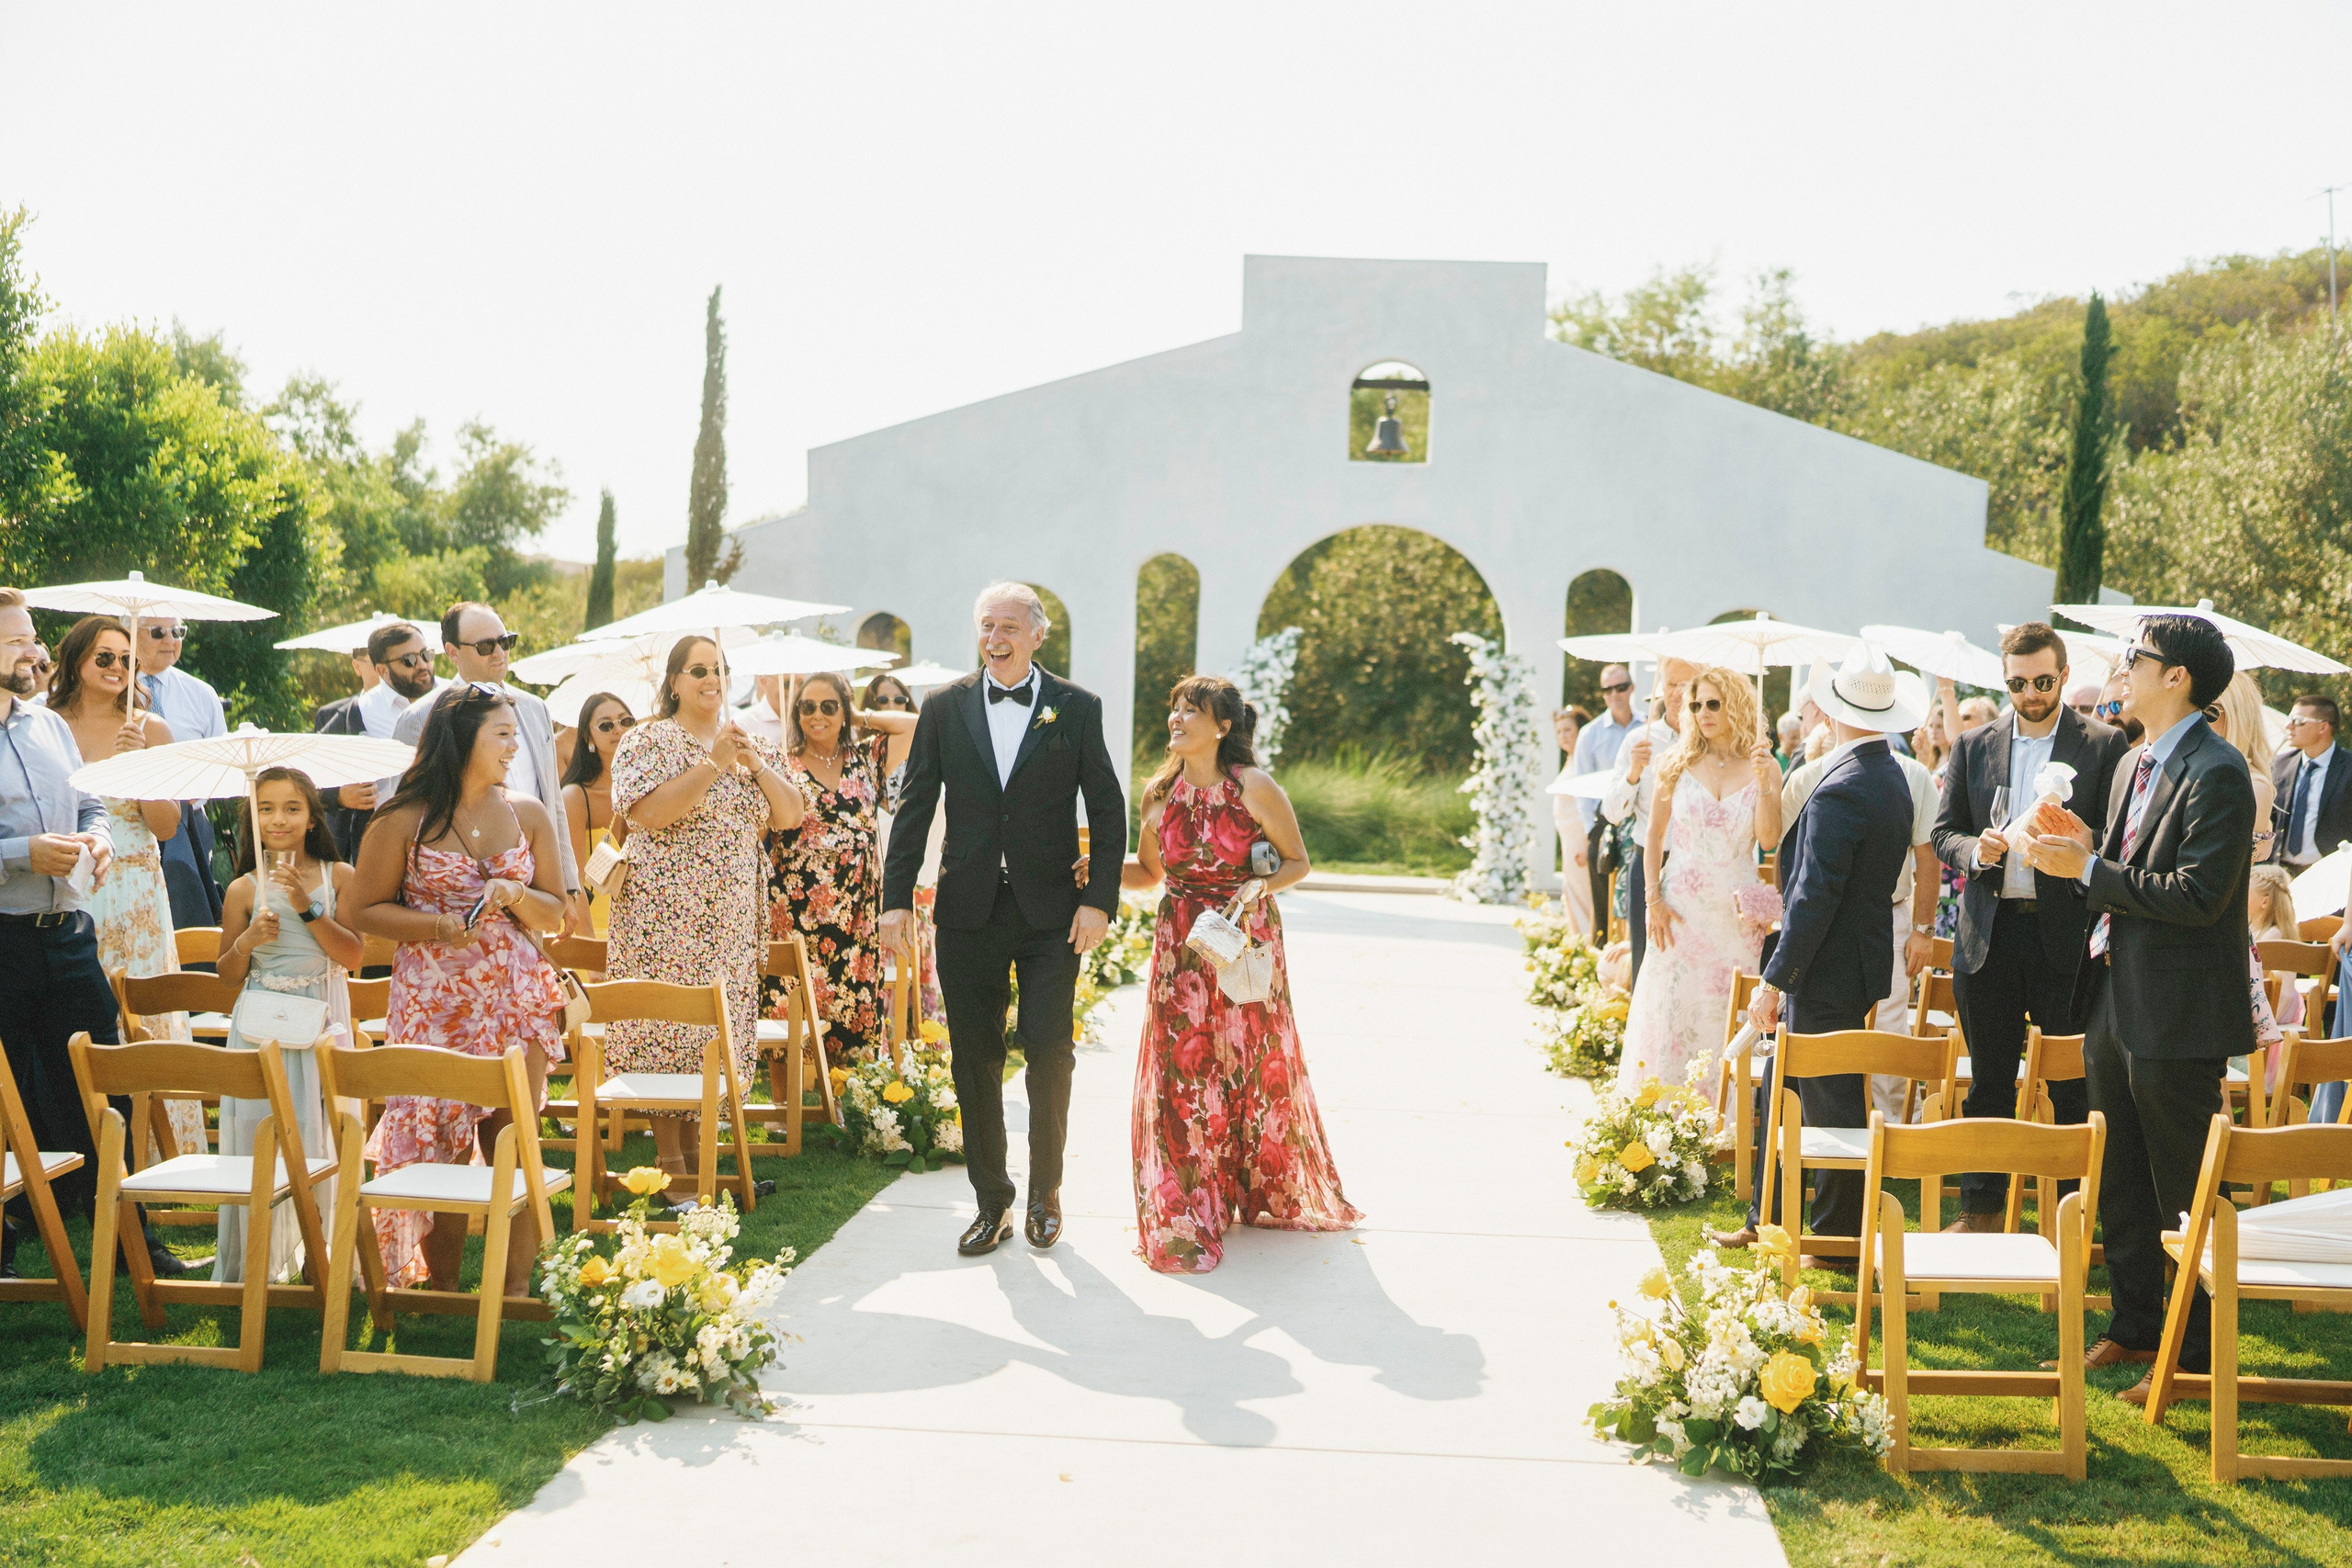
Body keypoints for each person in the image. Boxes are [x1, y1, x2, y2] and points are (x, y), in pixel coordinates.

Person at [2022, 614, 2254, 1404]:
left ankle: (2195, 1353)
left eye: (2135, 657)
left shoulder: (2219, 770)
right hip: (2112, 992)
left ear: (2176, 676)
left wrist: (2089, 868)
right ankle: (2134, 1323)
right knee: (2118, 1170)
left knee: (2184, 1187)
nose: (2122, 667)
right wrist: (2081, 846)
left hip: (2179, 1008)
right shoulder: (2131, 761)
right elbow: (2129, 865)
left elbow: (2197, 894)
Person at [880, 582, 1126, 1258]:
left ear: (1037, 635)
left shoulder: (1076, 707)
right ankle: (992, 1203)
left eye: (1009, 626)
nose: (995, 637)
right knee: (974, 1056)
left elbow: (1107, 808)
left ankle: (1047, 1190)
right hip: (968, 909)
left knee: (1048, 1048)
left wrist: (1098, 900)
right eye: (987, 625)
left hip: (1052, 914)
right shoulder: (943, 706)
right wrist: (895, 897)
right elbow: (915, 806)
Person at [1121, 675, 1358, 1272]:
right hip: (1181, 948)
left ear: (1223, 727)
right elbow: (1149, 874)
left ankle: (1251, 1187)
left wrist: (1258, 887)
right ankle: (1189, 1204)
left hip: (1245, 940)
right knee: (1183, 1072)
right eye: (1175, 708)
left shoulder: (1253, 787)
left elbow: (1298, 862)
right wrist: (1091, 869)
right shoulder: (1158, 794)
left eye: (1192, 710)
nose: (1177, 718)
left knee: (1250, 1062)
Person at [348, 684, 572, 1292]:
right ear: (463, 738)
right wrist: (435, 926)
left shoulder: (528, 813)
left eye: (514, 734)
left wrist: (516, 893)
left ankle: (514, 1291)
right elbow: (360, 908)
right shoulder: (402, 818)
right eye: (502, 734)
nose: (513, 746)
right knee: (440, 1144)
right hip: (434, 1001)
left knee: (514, 1138)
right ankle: (443, 1291)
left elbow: (557, 911)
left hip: (517, 997)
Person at [0, 589, 191, 1279]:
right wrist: (22, 853)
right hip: (3, 940)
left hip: (69, 933)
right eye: (16, 640)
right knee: (11, 1096)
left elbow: (87, 802)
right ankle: (10, 1237)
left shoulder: (46, 728)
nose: (33, 650)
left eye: (32, 638)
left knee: (101, 1085)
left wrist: (101, 836)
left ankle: (131, 1241)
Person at [1710, 643, 1921, 1257]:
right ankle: (1769, 1218)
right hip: (1848, 963)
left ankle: (1833, 1235)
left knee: (1830, 1106)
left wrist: (1775, 981)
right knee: (1786, 1089)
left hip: (1825, 969)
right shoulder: (1888, 775)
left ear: (1834, 711)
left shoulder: (1845, 786)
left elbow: (1813, 896)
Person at [1928, 622, 2127, 1233]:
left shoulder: (2104, 744)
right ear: (2004, 681)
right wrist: (1975, 850)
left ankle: (2071, 1216)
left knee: (2071, 1081)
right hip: (1989, 933)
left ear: (2063, 676)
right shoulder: (1974, 744)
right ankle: (1980, 1210)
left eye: (2043, 681)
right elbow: (1944, 833)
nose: (2031, 693)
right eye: (2018, 683)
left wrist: (2082, 839)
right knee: (1988, 1081)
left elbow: (2119, 837)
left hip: (2066, 934)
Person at [606, 639, 804, 1178]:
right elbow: (649, 814)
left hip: (731, 919)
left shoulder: (749, 740)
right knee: (666, 1030)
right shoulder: (647, 739)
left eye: (719, 668)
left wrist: (755, 765)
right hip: (665, 914)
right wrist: (714, 764)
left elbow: (790, 816)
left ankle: (698, 1156)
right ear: (674, 682)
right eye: (699, 670)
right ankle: (670, 1161)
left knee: (714, 1031)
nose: (712, 678)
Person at [50, 617, 211, 1174]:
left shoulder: (151, 727)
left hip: (138, 892)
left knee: (142, 1012)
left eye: (126, 660)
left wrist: (137, 767)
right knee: (79, 1016)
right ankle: (84, 1154)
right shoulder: (47, 726)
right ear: (76, 662)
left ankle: (156, 1155)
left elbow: (167, 828)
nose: (118, 668)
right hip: (74, 887)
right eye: (105, 658)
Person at [212, 767, 358, 1282]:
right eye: (267, 809)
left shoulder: (339, 877)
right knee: (259, 1128)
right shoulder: (242, 889)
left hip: (322, 1017)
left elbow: (354, 955)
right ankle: (254, 1259)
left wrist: (306, 905)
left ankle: (326, 1257)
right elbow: (227, 975)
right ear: (253, 819)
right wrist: (247, 942)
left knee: (323, 1128)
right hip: (261, 1025)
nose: (279, 819)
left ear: (312, 818)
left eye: (292, 808)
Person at [1617, 668, 1781, 1092]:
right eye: (1695, 705)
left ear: (1735, 705)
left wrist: (1764, 783)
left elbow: (1767, 840)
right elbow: (1653, 836)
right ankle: (1661, 1117)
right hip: (1679, 911)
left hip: (1736, 918)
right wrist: (1652, 900)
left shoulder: (1764, 767)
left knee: (1725, 1010)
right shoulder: (1674, 764)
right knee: (1671, 1006)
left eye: (1712, 703)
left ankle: (1723, 1118)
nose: (1702, 712)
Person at [392, 603, 583, 933]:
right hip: (452, 900)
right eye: (485, 646)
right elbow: (402, 808)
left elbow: (553, 802)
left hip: (533, 894)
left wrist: (567, 886)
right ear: (452, 652)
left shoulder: (535, 708)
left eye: (505, 641)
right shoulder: (420, 717)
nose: (499, 653)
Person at [762, 670, 889, 1061]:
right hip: (796, 907)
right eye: (807, 707)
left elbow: (915, 726)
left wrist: (859, 716)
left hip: (857, 909)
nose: (817, 715)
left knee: (854, 1007)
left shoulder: (866, 757)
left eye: (829, 706)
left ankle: (852, 1093)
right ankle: (788, 1098)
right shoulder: (780, 763)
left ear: (845, 709)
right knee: (791, 1004)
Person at [1601, 660, 1697, 986]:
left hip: (1696, 867)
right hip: (1648, 865)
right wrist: (1633, 773)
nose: (1678, 693)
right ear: (1661, 688)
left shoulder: (1713, 742)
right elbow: (1612, 813)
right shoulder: (1638, 741)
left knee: (1688, 970)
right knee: (1646, 969)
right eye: (1671, 684)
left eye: (1686, 685)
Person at [130, 615, 228, 928]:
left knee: (189, 917)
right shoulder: (110, 693)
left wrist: (200, 786)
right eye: (158, 632)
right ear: (130, 632)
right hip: (128, 824)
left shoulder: (200, 693)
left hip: (190, 823)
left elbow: (223, 761)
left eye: (178, 631)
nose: (171, 640)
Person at [861, 674, 943, 1027]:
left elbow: (916, 723)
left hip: (925, 876)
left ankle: (922, 1045)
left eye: (899, 700)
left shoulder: (928, 746)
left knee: (924, 975)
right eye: (882, 701)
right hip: (882, 876)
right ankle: (889, 1046)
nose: (892, 706)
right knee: (885, 979)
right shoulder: (867, 752)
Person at [321, 620, 440, 860]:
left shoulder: (453, 696)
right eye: (409, 660)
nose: (422, 665)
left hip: (450, 837)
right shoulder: (358, 712)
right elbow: (306, 776)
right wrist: (339, 796)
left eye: (426, 655)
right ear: (382, 671)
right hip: (389, 845)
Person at [1572, 664, 1640, 948]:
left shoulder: (1647, 726)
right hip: (1606, 818)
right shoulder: (1590, 734)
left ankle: (1635, 945)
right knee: (1599, 874)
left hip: (1639, 815)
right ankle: (1601, 947)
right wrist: (1592, 830)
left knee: (1639, 882)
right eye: (1607, 690)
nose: (1615, 694)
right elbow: (1581, 786)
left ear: (1631, 688)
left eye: (1620, 687)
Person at [560, 692, 635, 937]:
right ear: (587, 737)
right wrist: (588, 946)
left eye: (626, 721)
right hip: (592, 931)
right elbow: (574, 883)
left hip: (639, 933)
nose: (618, 730)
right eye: (606, 725)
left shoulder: (644, 792)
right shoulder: (576, 797)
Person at [2273, 694, 2350, 873]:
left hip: (2330, 872)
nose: (2288, 726)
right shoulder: (2280, 765)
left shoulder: (2348, 768)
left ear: (2323, 727)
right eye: (2289, 719)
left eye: (2298, 720)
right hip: (2280, 870)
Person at [1548, 704, 1594, 937]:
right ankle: (1577, 938)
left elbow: (1590, 804)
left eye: (1568, 730)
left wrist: (1588, 844)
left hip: (1579, 838)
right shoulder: (1570, 759)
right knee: (1571, 889)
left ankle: (1588, 939)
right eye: (1559, 731)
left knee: (1583, 892)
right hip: (1568, 839)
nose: (1563, 736)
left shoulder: (1584, 761)